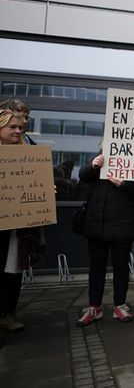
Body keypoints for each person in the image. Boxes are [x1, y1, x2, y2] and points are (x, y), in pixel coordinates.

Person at [76, 154, 134, 326]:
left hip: (123, 225)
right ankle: (94, 307)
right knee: (96, 267)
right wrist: (93, 166)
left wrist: (124, 185)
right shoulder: (99, 160)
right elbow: (83, 175)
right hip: (97, 224)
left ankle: (120, 305)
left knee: (121, 266)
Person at [0, 109, 45, 335]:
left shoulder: (27, 153)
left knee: (13, 270)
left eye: (20, 128)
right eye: (12, 127)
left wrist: (46, 188)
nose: (18, 131)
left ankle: (8, 312)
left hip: (16, 229)